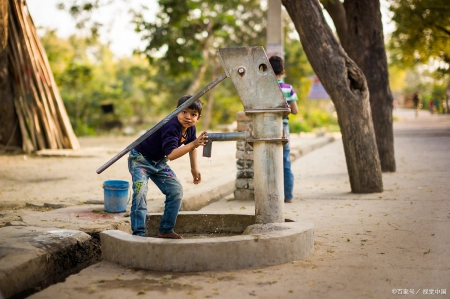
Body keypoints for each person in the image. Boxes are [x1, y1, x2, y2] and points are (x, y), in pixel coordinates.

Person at [128, 95, 208, 239]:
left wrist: (194, 168)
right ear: (177, 111)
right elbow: (171, 154)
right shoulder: (171, 126)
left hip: (159, 162)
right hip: (140, 159)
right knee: (140, 193)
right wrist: (194, 143)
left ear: (198, 118)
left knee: (176, 190)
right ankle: (138, 234)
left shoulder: (190, 129)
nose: (188, 117)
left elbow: (192, 147)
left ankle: (165, 229)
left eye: (193, 114)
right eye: (184, 112)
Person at [268, 56, 298, 203]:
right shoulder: (288, 88)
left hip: (267, 127)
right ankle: (288, 196)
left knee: (269, 161)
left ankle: (271, 196)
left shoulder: (265, 88)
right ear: (283, 71)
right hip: (283, 126)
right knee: (285, 161)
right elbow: (295, 111)